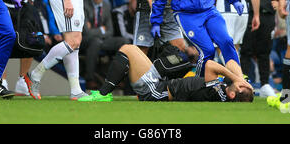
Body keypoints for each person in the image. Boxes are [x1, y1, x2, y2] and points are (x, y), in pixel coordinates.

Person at [78, 44, 253, 102]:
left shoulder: (218, 91)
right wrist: (241, 80)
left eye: (241, 86)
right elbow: (231, 62)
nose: (240, 82)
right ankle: (104, 93)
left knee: (127, 49)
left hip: (154, 90)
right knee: (132, 49)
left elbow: (210, 65)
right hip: (160, 83)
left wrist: (236, 78)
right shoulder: (223, 89)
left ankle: (102, 95)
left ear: (231, 94)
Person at [81, 0, 130, 89]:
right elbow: (86, 32)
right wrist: (102, 29)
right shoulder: (84, 4)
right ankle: (89, 79)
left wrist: (98, 31)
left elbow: (110, 31)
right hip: (86, 40)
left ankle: (116, 78)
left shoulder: (107, 5)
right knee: (95, 41)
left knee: (124, 42)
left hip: (102, 40)